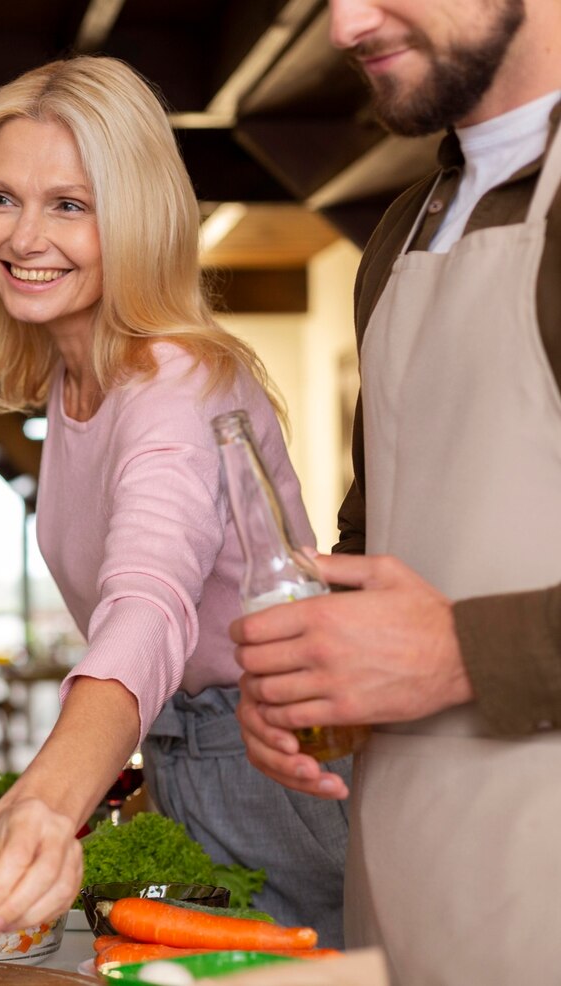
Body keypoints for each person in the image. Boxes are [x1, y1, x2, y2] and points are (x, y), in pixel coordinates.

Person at [0, 56, 351, 945]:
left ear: (136, 219)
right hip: (187, 759)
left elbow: (151, 599)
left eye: (71, 205)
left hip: (272, 766)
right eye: (1, 198)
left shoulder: (175, 381)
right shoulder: (74, 378)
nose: (23, 236)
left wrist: (48, 799)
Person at [233, 0, 561, 981]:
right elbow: (377, 539)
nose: (343, 28)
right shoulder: (397, 232)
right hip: (404, 888)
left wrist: (462, 647)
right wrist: (312, 664)